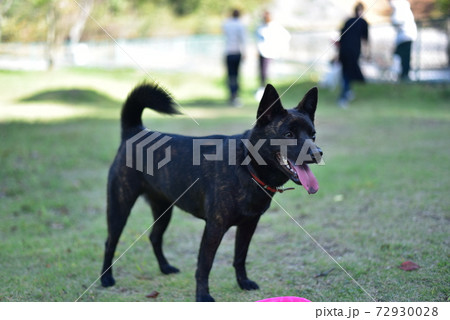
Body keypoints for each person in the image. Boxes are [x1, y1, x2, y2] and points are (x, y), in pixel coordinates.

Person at [337, 2, 369, 108]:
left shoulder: (348, 21)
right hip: (353, 51)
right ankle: (344, 96)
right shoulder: (363, 22)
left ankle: (348, 92)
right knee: (348, 73)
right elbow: (366, 40)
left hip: (344, 51)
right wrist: (368, 53)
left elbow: (340, 37)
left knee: (347, 73)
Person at [255, 10, 291, 100]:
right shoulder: (261, 26)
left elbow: (286, 36)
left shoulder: (275, 26)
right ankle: (262, 90)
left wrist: (279, 48)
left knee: (267, 72)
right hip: (262, 52)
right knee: (262, 73)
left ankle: (268, 92)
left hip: (269, 53)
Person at [223, 9, 246, 107]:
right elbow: (243, 40)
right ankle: (235, 95)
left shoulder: (227, 24)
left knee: (230, 75)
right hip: (237, 52)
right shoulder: (240, 25)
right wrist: (245, 52)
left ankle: (232, 95)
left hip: (228, 52)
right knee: (236, 75)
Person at [389, 0, 417, 81]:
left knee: (404, 57)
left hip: (406, 36)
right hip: (403, 37)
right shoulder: (402, 7)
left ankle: (405, 75)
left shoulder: (399, 8)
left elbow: (397, 21)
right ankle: (401, 74)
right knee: (400, 56)